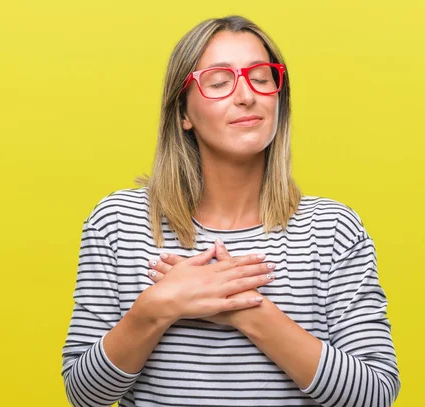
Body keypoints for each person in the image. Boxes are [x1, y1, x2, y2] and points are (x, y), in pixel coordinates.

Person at [61, 15, 400, 407]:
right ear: (183, 113)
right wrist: (157, 307)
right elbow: (84, 395)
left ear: (279, 98)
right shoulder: (119, 222)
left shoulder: (332, 230)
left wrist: (247, 310)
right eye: (220, 82)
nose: (246, 96)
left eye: (261, 78)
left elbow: (375, 395)